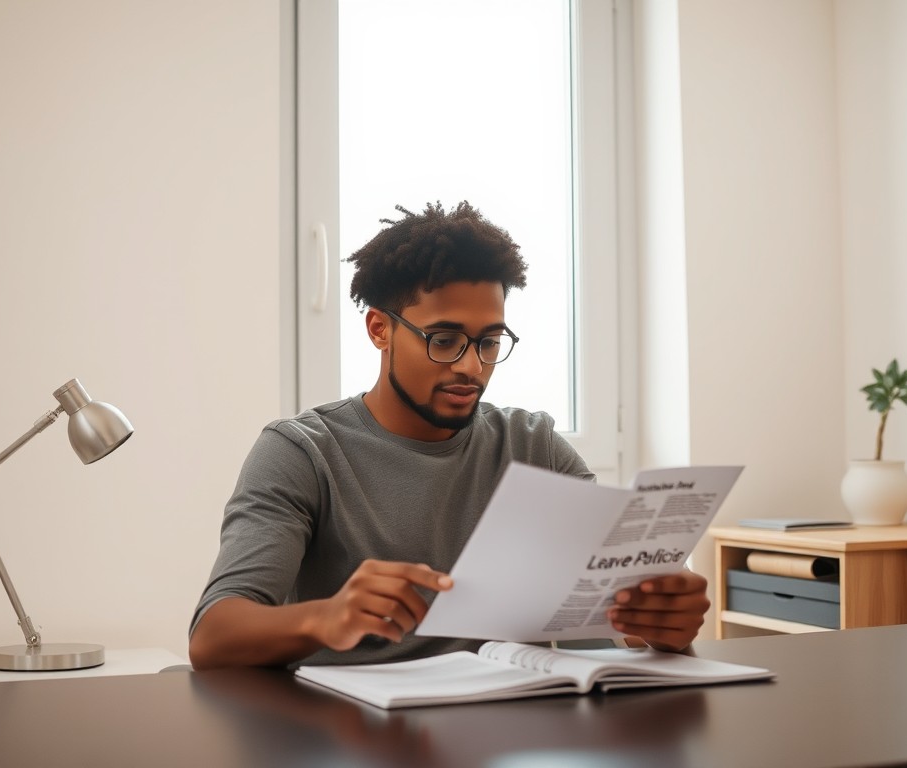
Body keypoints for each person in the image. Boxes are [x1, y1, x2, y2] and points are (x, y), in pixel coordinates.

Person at [189, 201, 709, 669]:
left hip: (508, 729)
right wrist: (325, 618)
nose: (471, 367)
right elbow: (213, 636)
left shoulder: (532, 446)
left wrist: (666, 619)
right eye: (444, 340)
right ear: (379, 329)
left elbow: (628, 602)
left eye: (488, 342)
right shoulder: (302, 452)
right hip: (351, 735)